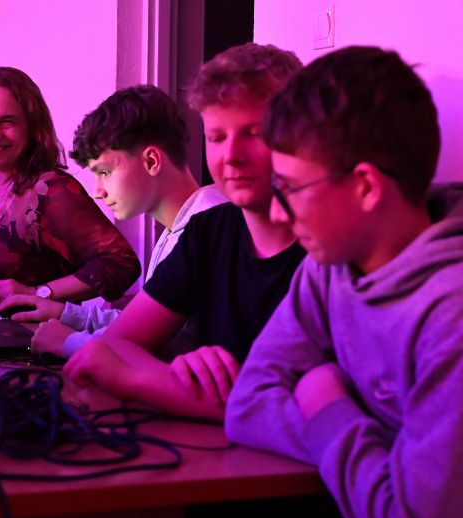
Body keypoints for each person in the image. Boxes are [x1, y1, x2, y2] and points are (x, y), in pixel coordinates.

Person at [225, 45, 463, 518]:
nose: (278, 213)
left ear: (366, 186)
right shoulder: (329, 271)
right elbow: (247, 405)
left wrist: (325, 400)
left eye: (291, 189)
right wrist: (416, 448)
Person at [59, 43, 306, 420]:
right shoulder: (209, 232)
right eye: (217, 137)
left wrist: (135, 379)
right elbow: (114, 346)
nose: (231, 156)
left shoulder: (327, 251)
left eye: (254, 133)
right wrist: (177, 377)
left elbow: (288, 409)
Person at [0, 84, 227, 357]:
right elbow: (145, 325)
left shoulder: (210, 226)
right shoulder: (176, 229)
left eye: (104, 172)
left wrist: (68, 342)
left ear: (151, 161)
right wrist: (65, 313)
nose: (97, 191)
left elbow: (167, 345)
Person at [0, 67, 140, 315]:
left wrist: (38, 292)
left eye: (7, 122)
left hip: (43, 335)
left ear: (31, 129)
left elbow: (121, 263)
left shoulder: (51, 191)